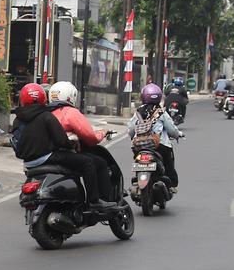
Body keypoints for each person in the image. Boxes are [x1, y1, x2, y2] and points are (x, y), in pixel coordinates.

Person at [12, 83, 118, 211]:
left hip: (28, 163)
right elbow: (61, 140)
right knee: (87, 163)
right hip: (47, 157)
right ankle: (94, 201)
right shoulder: (46, 116)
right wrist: (72, 145)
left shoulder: (17, 120)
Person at [47, 81, 119, 209]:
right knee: (99, 163)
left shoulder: (45, 113)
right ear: (70, 96)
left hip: (48, 154)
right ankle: (97, 200)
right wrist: (101, 134)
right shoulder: (70, 112)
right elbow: (89, 137)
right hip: (67, 153)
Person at [128, 83, 182, 191]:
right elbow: (172, 130)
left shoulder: (138, 112)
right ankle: (170, 185)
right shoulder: (161, 112)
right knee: (169, 163)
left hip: (140, 147)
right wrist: (177, 135)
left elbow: (131, 131)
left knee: (137, 159)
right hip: (159, 146)